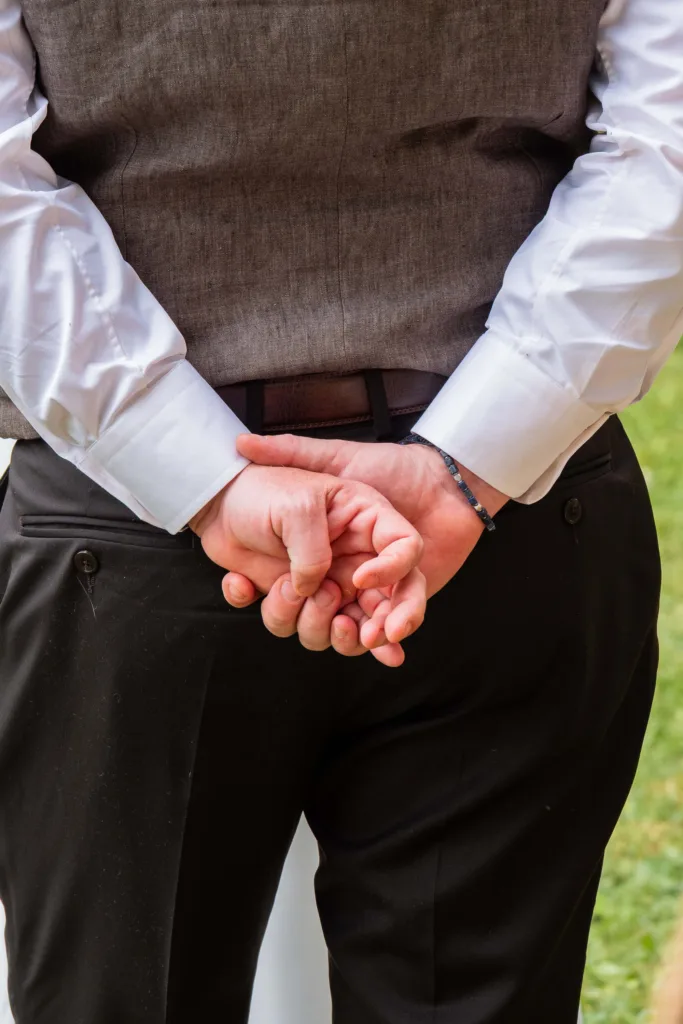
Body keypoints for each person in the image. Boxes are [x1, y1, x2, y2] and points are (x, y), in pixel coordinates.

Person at [0, 0, 680, 1019]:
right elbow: (662, 136)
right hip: (501, 519)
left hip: (131, 542)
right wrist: (468, 460)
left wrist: (202, 470)